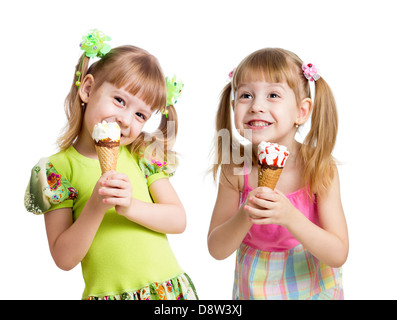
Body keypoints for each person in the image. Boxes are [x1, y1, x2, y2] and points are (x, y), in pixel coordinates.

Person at [24, 29, 198, 300]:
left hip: (167, 292)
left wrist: (130, 206)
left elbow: (178, 220)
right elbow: (64, 258)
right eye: (119, 100)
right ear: (88, 89)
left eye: (140, 114)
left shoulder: (141, 154)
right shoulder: (57, 169)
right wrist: (95, 205)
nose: (127, 120)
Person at [207, 48, 348, 300]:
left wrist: (290, 217)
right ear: (233, 106)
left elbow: (338, 253)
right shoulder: (236, 168)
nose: (256, 106)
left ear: (301, 112)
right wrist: (246, 213)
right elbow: (216, 249)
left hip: (312, 287)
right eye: (246, 95)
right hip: (254, 288)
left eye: (273, 95)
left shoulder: (319, 167)